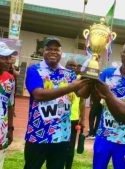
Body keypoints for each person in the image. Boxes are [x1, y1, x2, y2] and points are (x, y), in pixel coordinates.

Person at [23, 37, 89, 169]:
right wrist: (71, 87)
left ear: (61, 53)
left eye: (56, 49)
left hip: (61, 136)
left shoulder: (69, 74)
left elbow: (83, 94)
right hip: (38, 134)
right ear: (43, 51)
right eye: (49, 49)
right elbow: (38, 95)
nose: (53, 52)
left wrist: (90, 77)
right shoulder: (34, 70)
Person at [93, 42, 125, 169]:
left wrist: (108, 97)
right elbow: (97, 96)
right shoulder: (107, 73)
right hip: (104, 133)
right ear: (121, 54)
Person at [64, 59, 86, 169]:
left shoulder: (79, 81)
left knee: (70, 147)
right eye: (70, 65)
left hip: (73, 119)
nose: (72, 67)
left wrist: (82, 119)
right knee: (58, 146)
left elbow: (82, 101)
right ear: (65, 66)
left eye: (75, 66)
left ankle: (68, 166)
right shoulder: (61, 78)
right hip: (59, 118)